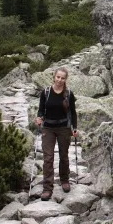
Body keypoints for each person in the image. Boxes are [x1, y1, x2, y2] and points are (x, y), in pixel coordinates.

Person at [35, 67, 78, 201]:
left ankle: (64, 180)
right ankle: (47, 188)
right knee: (48, 158)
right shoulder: (46, 92)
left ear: (66, 79)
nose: (59, 80)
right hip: (48, 128)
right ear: (54, 77)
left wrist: (74, 128)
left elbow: (73, 112)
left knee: (64, 156)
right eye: (58, 77)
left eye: (62, 78)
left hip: (64, 128)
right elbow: (41, 110)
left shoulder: (69, 94)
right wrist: (39, 118)